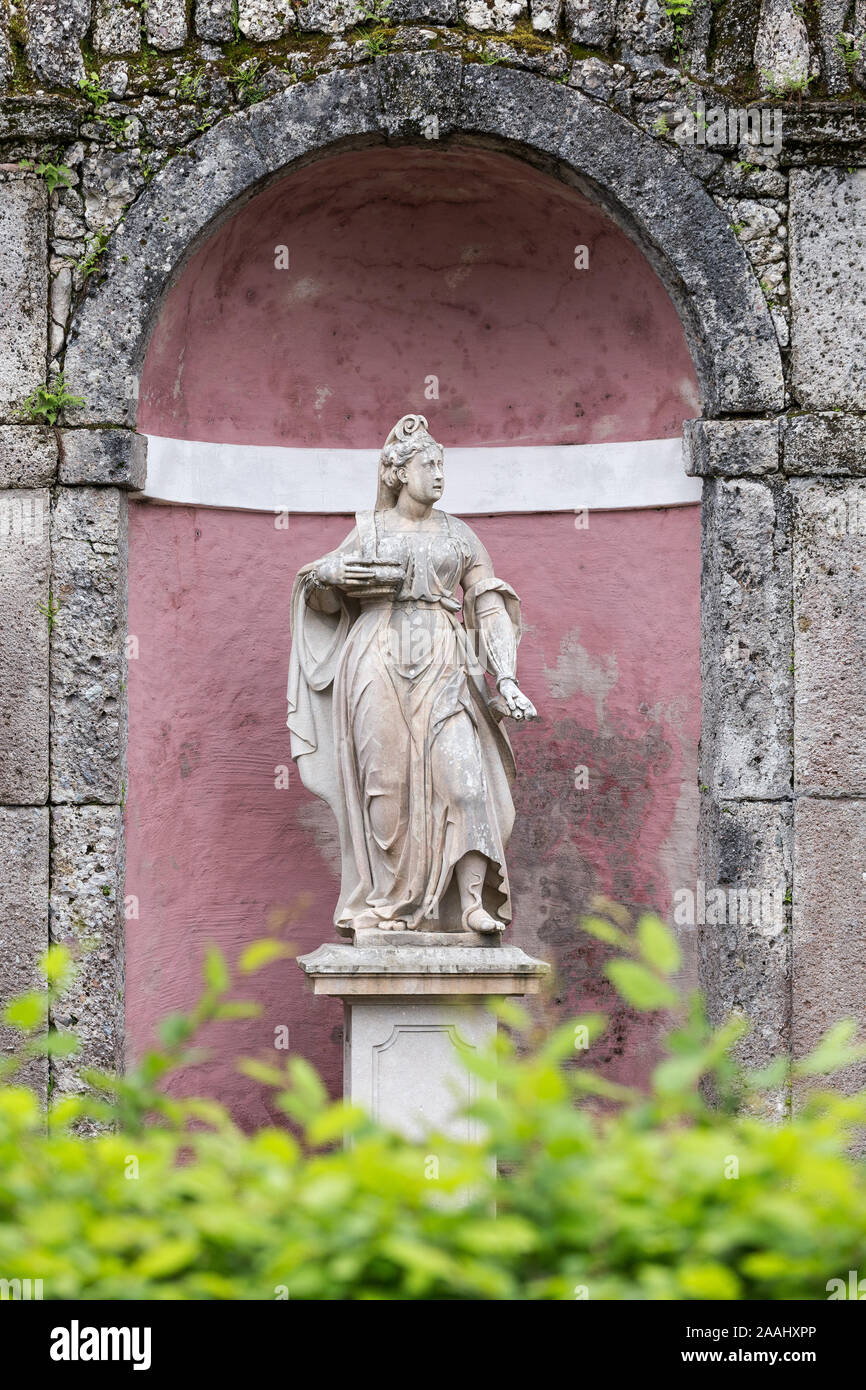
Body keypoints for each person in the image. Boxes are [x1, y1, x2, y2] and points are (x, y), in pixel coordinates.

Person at [287, 414, 537, 936]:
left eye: (442, 464)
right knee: (384, 784)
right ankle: (388, 903)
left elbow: (488, 604)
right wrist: (326, 577)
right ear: (399, 472)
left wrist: (506, 679)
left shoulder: (460, 535)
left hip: (447, 662)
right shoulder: (368, 531)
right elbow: (324, 596)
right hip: (376, 658)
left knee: (466, 782)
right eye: (429, 464)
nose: (440, 474)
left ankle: (471, 902)